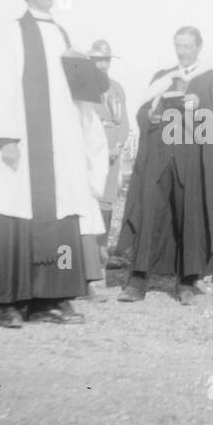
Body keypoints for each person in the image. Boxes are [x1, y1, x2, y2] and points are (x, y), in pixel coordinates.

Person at [0, 0, 98, 328]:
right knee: (13, 213)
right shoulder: (11, 32)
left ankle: (55, 297)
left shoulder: (63, 34)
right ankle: (9, 301)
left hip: (59, 144)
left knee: (62, 213)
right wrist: (5, 137)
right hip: (21, 142)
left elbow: (72, 93)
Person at [115, 26, 213, 304]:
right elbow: (142, 114)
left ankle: (186, 283)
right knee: (149, 216)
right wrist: (151, 116)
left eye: (187, 46)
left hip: (191, 160)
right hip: (160, 158)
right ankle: (137, 280)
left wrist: (202, 104)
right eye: (178, 46)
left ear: (199, 47)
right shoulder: (163, 78)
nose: (182, 52)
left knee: (190, 218)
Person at [87, 40, 130, 268]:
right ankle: (86, 252)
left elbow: (123, 122)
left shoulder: (116, 88)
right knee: (88, 197)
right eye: (97, 60)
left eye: (106, 60)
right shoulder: (83, 87)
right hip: (91, 150)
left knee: (107, 199)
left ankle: (102, 249)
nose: (102, 65)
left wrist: (118, 145)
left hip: (113, 151)